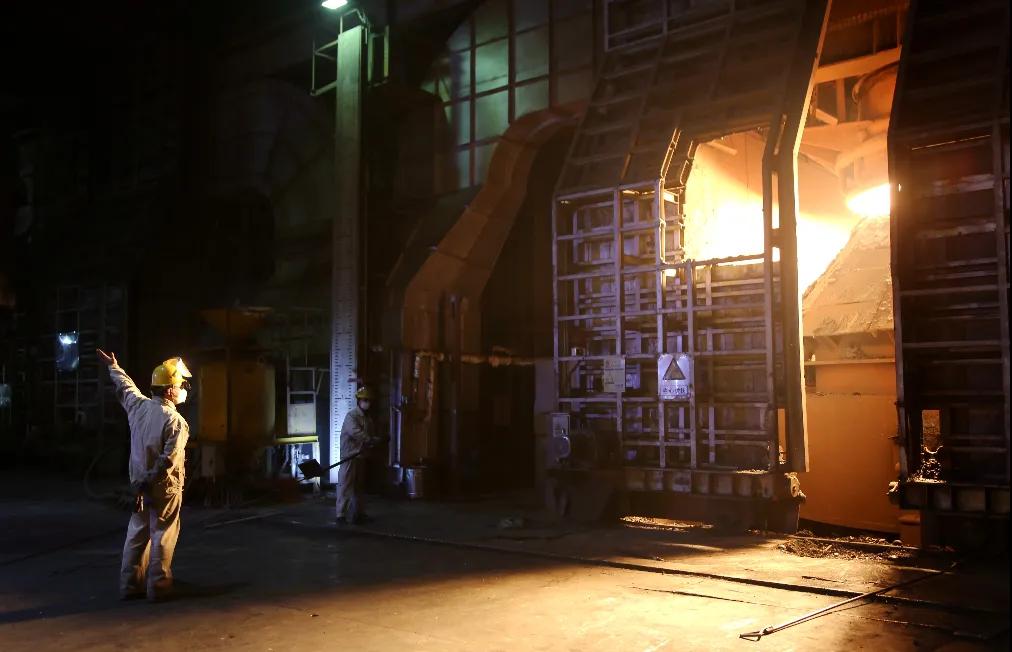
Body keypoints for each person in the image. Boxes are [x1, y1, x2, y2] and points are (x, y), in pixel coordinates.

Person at [97, 349, 191, 601]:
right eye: (180, 385)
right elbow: (168, 461)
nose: (183, 389)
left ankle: (130, 585)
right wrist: (150, 480)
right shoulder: (176, 422)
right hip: (163, 487)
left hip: (138, 484)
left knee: (138, 533)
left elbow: (126, 387)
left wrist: (114, 367)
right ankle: (158, 588)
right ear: (169, 390)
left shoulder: (138, 407)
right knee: (162, 534)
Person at [335, 386, 384, 525]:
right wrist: (370, 440)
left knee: (358, 487)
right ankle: (341, 515)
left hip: (360, 456)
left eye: (369, 400)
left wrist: (376, 440)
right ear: (359, 401)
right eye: (365, 400)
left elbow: (369, 435)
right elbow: (355, 432)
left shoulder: (367, 418)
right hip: (349, 456)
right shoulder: (352, 416)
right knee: (345, 485)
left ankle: (359, 513)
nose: (367, 402)